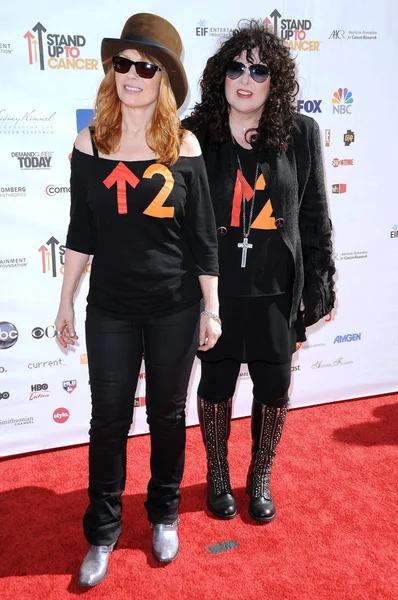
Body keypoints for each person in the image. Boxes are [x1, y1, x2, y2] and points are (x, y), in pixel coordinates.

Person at [54, 13, 221, 587]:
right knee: (108, 419)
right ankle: (102, 530)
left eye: (145, 66)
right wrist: (64, 302)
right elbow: (81, 232)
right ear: (112, 72)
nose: (131, 74)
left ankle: (165, 513)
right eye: (122, 63)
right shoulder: (89, 144)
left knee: (169, 416)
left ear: (164, 79)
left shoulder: (184, 145)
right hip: (111, 309)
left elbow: (202, 236)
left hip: (175, 304)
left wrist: (211, 306)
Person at [183, 20, 335, 524]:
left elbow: (313, 215)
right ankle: (219, 475)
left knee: (274, 387)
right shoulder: (196, 135)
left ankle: (261, 473)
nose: (245, 78)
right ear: (221, 75)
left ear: (276, 79)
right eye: (236, 67)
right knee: (217, 383)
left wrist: (320, 286)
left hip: (275, 288)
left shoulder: (300, 133)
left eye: (259, 69)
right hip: (217, 290)